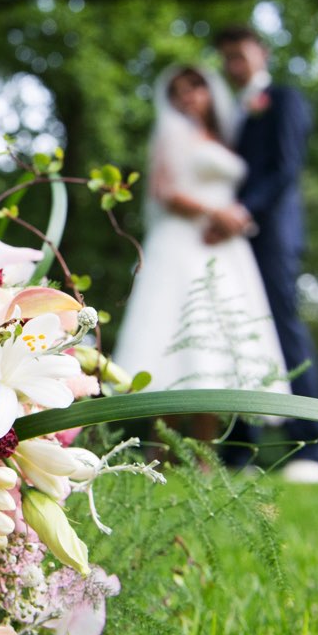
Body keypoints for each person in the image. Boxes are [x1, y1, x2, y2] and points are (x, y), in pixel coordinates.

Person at [113, 65, 290, 447]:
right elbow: (165, 190)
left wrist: (230, 219)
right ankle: (161, 450)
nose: (188, 96)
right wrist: (216, 213)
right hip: (182, 242)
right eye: (178, 91)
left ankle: (204, 457)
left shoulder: (225, 138)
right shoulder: (172, 132)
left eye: (194, 86)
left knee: (215, 340)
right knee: (171, 336)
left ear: (209, 90)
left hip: (225, 248)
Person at [205, 24, 318, 484]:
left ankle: (312, 446)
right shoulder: (225, 112)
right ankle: (240, 449)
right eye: (225, 57)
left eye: (239, 55)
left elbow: (285, 167)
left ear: (262, 54)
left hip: (271, 234)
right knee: (234, 334)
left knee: (284, 330)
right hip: (229, 241)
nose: (232, 65)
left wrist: (243, 210)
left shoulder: (283, 99)